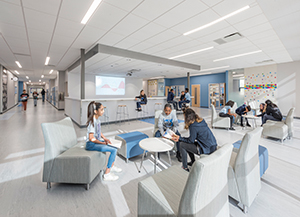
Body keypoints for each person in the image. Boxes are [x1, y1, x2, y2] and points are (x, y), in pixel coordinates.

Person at [85, 101, 122, 181]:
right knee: (113, 149)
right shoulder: (92, 122)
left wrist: (104, 138)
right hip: (91, 144)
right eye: (101, 110)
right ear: (95, 111)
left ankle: (111, 166)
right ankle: (107, 174)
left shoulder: (97, 120)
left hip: (96, 141)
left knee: (114, 146)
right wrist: (102, 143)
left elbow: (98, 132)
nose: (103, 111)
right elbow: (91, 138)